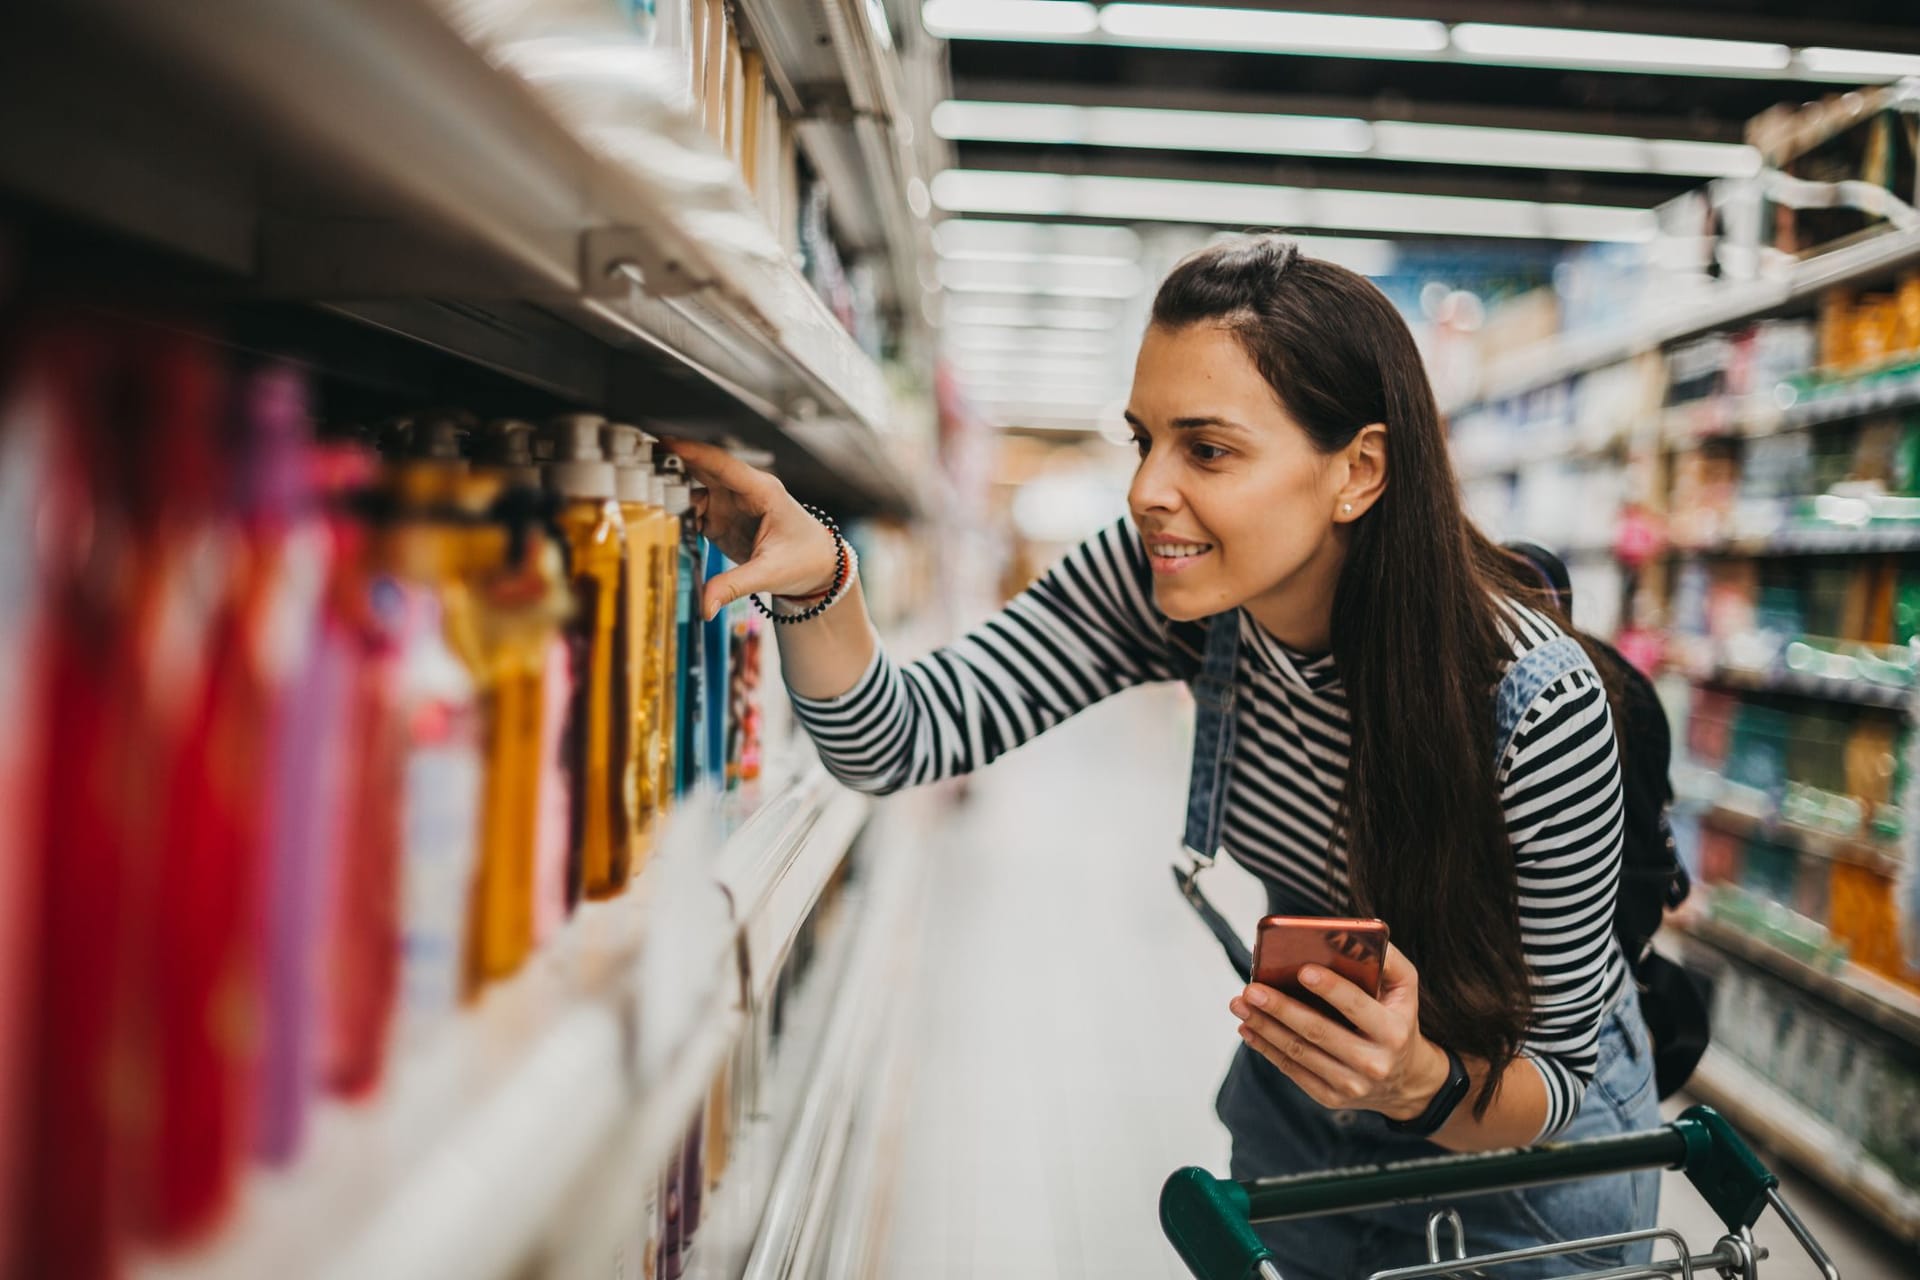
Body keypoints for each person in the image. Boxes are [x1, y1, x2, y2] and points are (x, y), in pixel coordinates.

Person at [666, 236, 1659, 1279]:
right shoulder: (1158, 579)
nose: (1147, 489)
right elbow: (901, 736)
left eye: (1208, 449)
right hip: (1308, 1109)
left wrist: (1411, 1078)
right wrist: (822, 575)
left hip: (1513, 1166)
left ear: (1357, 470)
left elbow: (1550, 1078)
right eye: (1143, 440)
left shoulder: (1535, 707)